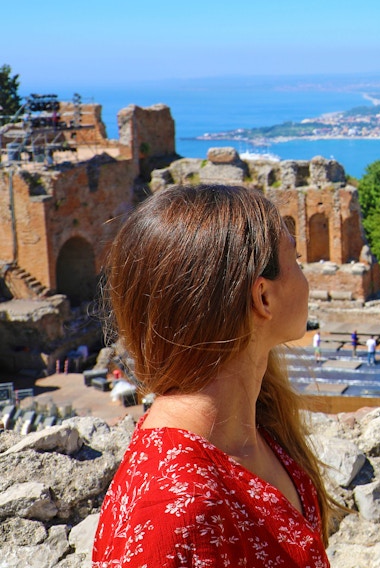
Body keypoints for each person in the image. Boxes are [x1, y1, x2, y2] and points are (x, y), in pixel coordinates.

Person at [92, 185, 341, 567]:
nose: (307, 280)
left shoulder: (254, 431)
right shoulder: (176, 513)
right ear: (263, 298)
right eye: (297, 260)